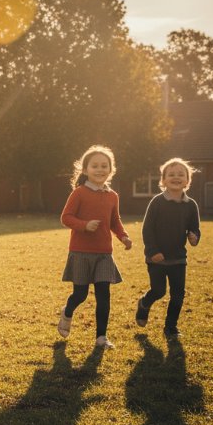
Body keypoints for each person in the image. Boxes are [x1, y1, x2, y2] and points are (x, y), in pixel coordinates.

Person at [58, 145, 132, 349]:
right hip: (81, 253)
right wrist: (84, 225)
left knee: (104, 295)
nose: (100, 169)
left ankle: (101, 337)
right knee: (80, 294)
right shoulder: (79, 193)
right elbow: (66, 218)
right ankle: (67, 312)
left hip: (104, 254)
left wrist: (123, 237)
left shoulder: (112, 196)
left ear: (111, 169)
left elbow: (115, 221)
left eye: (104, 166)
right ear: (85, 170)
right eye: (95, 166)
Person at [135, 158, 201, 337]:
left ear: (187, 180)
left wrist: (194, 237)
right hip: (156, 257)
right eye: (171, 174)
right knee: (159, 291)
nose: (176, 177)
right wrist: (152, 251)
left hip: (178, 257)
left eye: (181, 174)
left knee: (178, 294)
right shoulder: (157, 202)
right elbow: (147, 229)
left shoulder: (190, 205)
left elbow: (194, 228)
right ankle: (144, 303)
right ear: (163, 180)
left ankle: (170, 327)